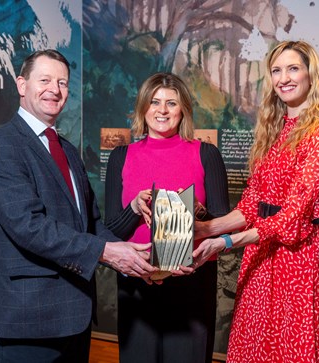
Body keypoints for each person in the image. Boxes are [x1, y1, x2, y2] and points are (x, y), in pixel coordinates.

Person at [0, 49, 157, 363]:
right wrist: (105, 253)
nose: (55, 90)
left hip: (75, 316)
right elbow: (29, 227)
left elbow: (92, 224)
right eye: (44, 80)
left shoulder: (68, 150)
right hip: (29, 321)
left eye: (62, 83)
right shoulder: (2, 146)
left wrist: (136, 258)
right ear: (22, 85)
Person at [188, 40, 319, 362]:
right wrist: (206, 228)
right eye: (276, 70)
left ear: (311, 76)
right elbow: (252, 204)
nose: (284, 78)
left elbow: (292, 216)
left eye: (293, 68)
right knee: (256, 345)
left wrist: (226, 242)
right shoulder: (274, 131)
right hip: (262, 253)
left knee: (293, 348)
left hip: (297, 257)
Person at [104, 72, 230, 363]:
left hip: (191, 282)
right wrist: (134, 208)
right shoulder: (120, 156)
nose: (162, 110)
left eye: (171, 103)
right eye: (155, 102)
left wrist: (198, 213)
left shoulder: (207, 154)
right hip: (136, 280)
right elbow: (111, 230)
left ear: (183, 109)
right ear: (143, 108)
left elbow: (224, 222)